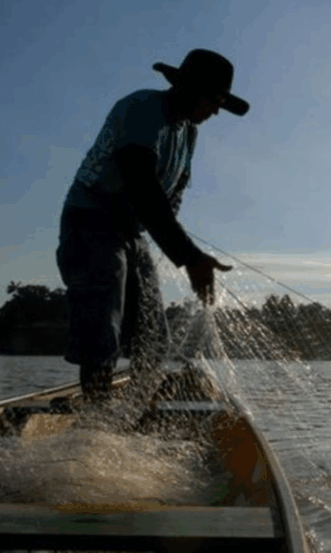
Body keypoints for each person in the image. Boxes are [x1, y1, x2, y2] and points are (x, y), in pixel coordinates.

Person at [56, 49, 246, 402]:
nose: (216, 111)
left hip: (132, 232)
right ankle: (96, 414)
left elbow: (171, 197)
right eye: (214, 100)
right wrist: (189, 256)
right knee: (102, 324)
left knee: (153, 334)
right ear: (190, 90)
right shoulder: (144, 109)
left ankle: (141, 405)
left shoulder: (188, 133)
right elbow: (141, 186)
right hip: (91, 220)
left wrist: (178, 245)